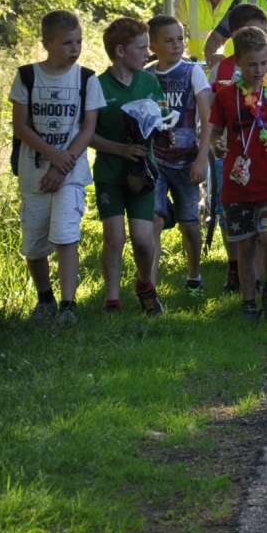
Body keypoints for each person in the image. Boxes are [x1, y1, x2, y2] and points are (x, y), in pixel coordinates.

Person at [192, 26, 267, 323]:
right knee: (245, 244)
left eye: (264, 63)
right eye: (252, 64)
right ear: (237, 62)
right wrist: (217, 144)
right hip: (238, 182)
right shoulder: (226, 94)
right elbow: (214, 131)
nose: (259, 69)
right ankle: (249, 302)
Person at [10, 10, 103, 326]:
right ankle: (45, 298)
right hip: (34, 171)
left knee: (66, 235)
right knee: (34, 244)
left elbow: (88, 128)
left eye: (78, 42)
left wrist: (62, 165)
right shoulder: (27, 77)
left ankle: (68, 304)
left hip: (71, 172)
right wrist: (50, 154)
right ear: (47, 43)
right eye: (66, 43)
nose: (74, 49)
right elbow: (21, 127)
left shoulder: (87, 79)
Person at [91, 17, 165, 315]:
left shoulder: (149, 81)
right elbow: (88, 135)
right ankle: (112, 300)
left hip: (143, 174)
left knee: (144, 241)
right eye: (142, 47)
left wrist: (164, 129)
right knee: (114, 237)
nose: (148, 53)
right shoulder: (97, 85)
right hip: (110, 173)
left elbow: (160, 118)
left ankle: (145, 283)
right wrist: (120, 149)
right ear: (120, 51)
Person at [147, 15, 212, 298]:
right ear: (153, 45)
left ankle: (194, 275)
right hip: (156, 161)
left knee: (189, 223)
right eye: (169, 40)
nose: (176, 45)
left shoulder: (192, 72)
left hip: (187, 161)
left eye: (179, 39)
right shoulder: (147, 76)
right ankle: (149, 286)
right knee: (155, 220)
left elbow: (208, 118)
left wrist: (201, 158)